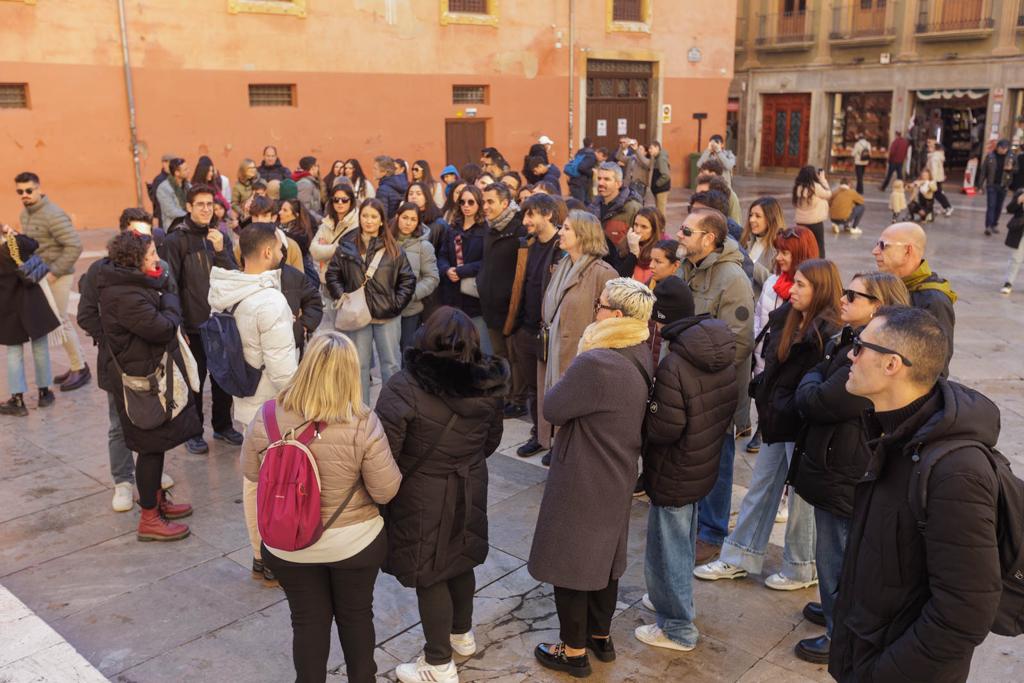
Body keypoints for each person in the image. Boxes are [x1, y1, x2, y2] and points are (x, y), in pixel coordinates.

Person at [831, 307, 1002, 683]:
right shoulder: (892, 434)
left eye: (859, 346)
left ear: (892, 364)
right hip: (866, 650)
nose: (850, 355)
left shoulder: (956, 472)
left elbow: (965, 611)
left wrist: (884, 673)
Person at [242, 332, 402, 683]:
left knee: (307, 621)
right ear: (351, 374)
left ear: (307, 366)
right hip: (354, 545)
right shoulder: (362, 422)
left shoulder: (268, 415)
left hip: (288, 546)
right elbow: (386, 491)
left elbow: (251, 472)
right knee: (356, 617)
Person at [529, 278, 654, 678]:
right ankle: (600, 636)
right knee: (606, 560)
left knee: (572, 563)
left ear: (616, 315)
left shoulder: (596, 361)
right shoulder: (640, 350)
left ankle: (573, 650)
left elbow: (553, 407)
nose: (594, 311)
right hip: (618, 470)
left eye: (599, 306)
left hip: (583, 474)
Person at [375, 307, 506, 683]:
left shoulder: (404, 386)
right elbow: (491, 440)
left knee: (430, 572)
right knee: (460, 560)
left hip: (422, 492)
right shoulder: (487, 384)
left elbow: (385, 452)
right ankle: (461, 634)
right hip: (469, 482)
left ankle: (437, 663)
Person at [695, 259, 842, 590]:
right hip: (779, 418)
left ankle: (801, 568)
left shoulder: (828, 333)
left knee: (802, 500)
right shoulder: (789, 318)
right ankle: (740, 556)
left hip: (803, 424)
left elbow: (817, 385)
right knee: (762, 486)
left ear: (820, 290)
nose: (792, 290)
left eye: (801, 284)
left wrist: (789, 405)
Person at [791, 272, 910, 664]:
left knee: (835, 556)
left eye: (853, 295)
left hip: (845, 469)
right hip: (837, 463)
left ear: (878, 306)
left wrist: (811, 378)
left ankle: (838, 636)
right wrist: (816, 377)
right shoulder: (852, 340)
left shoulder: (876, 353)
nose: (842, 299)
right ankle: (832, 613)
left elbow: (822, 400)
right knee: (834, 553)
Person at [634, 281, 737, 653]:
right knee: (681, 536)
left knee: (670, 545)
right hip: (701, 462)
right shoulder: (718, 345)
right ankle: (669, 600)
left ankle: (677, 627)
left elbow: (665, 428)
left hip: (675, 469)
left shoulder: (675, 363)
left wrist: (646, 410)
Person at [96, 231, 199, 541]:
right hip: (142, 382)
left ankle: (155, 501)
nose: (157, 259)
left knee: (156, 443)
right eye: (151, 254)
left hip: (149, 374)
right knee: (150, 447)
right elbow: (162, 328)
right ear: (134, 260)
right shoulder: (124, 295)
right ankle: (150, 518)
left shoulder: (131, 285)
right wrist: (170, 297)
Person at [77, 208, 176, 510]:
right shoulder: (99, 273)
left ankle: (151, 475)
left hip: (151, 364)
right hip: (119, 365)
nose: (144, 241)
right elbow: (86, 316)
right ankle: (123, 480)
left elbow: (167, 303)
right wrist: (116, 341)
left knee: (151, 420)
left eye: (148, 235)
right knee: (119, 423)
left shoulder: (158, 266)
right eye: (137, 234)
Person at [676, 208, 755, 564]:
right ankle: (692, 523)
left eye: (686, 230)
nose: (679, 235)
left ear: (708, 239)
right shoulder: (687, 269)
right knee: (691, 459)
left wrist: (698, 373)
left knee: (718, 463)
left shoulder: (732, 279)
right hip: (684, 386)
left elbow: (738, 343)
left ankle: (711, 533)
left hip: (715, 391)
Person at [162, 184, 241, 454]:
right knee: (195, 381)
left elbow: (233, 278)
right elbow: (170, 284)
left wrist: (221, 251)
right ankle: (193, 432)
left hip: (219, 322)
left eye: (210, 204)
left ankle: (223, 426)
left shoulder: (220, 237)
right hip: (192, 325)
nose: (206, 209)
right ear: (189, 207)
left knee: (222, 378)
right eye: (200, 205)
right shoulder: (176, 240)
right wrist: (179, 324)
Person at [536, 211, 618, 458]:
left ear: (583, 234)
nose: (560, 232)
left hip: (581, 358)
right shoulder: (562, 265)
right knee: (554, 401)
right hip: (552, 350)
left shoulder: (603, 272)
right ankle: (555, 444)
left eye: (567, 229)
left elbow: (611, 323)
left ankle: (568, 452)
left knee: (573, 410)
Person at [325, 198, 415, 405]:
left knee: (391, 366)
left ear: (382, 220)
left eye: (374, 216)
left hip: (387, 317)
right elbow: (333, 275)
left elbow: (407, 280)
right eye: (365, 215)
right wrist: (342, 296)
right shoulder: (347, 246)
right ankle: (361, 415)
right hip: (357, 316)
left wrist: (395, 304)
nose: (369, 220)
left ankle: (390, 414)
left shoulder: (394, 249)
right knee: (359, 367)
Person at [747, 225, 820, 454]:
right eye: (778, 251)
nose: (778, 258)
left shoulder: (811, 296)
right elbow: (758, 318)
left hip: (785, 373)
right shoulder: (771, 282)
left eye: (784, 252)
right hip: (762, 360)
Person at [14, 171, 89, 391]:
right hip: (41, 272)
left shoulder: (52, 214)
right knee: (59, 320)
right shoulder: (25, 214)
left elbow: (75, 245)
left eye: (29, 190)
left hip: (59, 273)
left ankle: (80, 368)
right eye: (20, 192)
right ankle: (79, 364)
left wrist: (55, 273)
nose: (25, 195)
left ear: (38, 188)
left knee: (60, 320)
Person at [506, 193, 566, 458]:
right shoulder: (527, 245)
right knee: (533, 388)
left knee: (554, 388)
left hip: (551, 333)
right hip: (526, 331)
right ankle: (539, 436)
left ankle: (558, 441)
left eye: (531, 214)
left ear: (548, 215)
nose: (525, 220)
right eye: (524, 214)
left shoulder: (562, 248)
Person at [872, 222, 956, 374]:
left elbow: (938, 363)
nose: (875, 251)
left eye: (883, 245)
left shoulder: (934, 300)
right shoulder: (890, 285)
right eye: (876, 244)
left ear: (907, 251)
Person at [0, 223, 58, 416]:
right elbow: (34, 243)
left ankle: (17, 400)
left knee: (14, 353)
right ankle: (44, 393)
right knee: (40, 347)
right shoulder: (14, 243)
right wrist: (12, 232)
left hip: (7, 308)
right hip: (32, 303)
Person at [478, 182, 526, 389]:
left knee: (514, 358)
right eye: (484, 202)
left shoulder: (518, 229)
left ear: (505, 203)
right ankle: (506, 395)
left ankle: (516, 399)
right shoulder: (490, 228)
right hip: (491, 307)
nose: (485, 206)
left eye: (490, 202)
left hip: (511, 310)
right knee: (500, 356)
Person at [436, 185, 491, 352]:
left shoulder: (486, 231)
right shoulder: (453, 228)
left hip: (474, 297)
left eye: (471, 202)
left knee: (479, 347)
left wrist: (460, 271)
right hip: (451, 294)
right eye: (462, 202)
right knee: (454, 346)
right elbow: (442, 254)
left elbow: (486, 261)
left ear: (479, 204)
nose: (466, 205)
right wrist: (446, 270)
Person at [391, 202, 439, 352]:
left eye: (413, 219)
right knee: (390, 355)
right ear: (397, 217)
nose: (408, 223)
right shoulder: (385, 241)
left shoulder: (424, 246)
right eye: (405, 217)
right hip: (386, 308)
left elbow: (432, 278)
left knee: (407, 353)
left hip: (410, 310)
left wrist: (411, 294)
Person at [311, 184, 359, 329]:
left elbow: (350, 252)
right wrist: (337, 248)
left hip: (347, 283)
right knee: (334, 326)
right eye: (336, 200)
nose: (340, 203)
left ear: (351, 201)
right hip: (326, 282)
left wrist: (326, 248)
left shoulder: (356, 223)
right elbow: (314, 251)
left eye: (344, 200)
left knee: (349, 327)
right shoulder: (327, 223)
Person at [588, 162, 642, 258]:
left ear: (618, 184)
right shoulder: (593, 206)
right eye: (599, 178)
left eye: (606, 179)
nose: (600, 183)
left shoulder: (632, 208)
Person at [740, 197, 784, 299]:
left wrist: (751, 264)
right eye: (751, 215)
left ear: (770, 219)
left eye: (758, 216)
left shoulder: (779, 248)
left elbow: (776, 284)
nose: (751, 219)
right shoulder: (746, 240)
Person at [792, 165, 831, 258]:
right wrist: (823, 179)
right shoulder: (815, 187)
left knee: (804, 245)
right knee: (819, 245)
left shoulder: (797, 187)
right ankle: (820, 265)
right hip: (815, 222)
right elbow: (828, 194)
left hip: (801, 222)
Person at [619, 207, 666, 282]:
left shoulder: (663, 249)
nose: (637, 230)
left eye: (644, 227)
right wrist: (633, 253)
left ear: (655, 230)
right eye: (636, 225)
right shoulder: (626, 243)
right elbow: (621, 278)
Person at [982, 138, 1014, 236]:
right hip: (992, 184)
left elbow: (1017, 169)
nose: (1003, 150)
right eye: (1001, 148)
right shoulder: (990, 156)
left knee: (998, 207)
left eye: (1005, 148)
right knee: (991, 206)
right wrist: (979, 185)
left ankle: (994, 224)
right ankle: (988, 226)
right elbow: (984, 171)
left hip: (1003, 185)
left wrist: (1011, 168)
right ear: (998, 147)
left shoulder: (1011, 157)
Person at [696, 159, 742, 224]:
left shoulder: (730, 195)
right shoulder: (700, 189)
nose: (699, 175)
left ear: (713, 174)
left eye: (702, 172)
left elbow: (735, 222)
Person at [1001, 188, 1024, 294]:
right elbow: (1009, 209)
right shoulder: (1021, 192)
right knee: (1016, 258)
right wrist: (1018, 201)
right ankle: (1008, 282)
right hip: (1021, 231)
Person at [156, 159, 190, 229]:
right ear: (177, 172)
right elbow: (171, 211)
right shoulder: (163, 188)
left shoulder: (188, 186)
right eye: (185, 170)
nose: (188, 171)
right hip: (173, 228)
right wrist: (191, 216)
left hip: (189, 226)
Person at [375, 155, 410, 219]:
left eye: (375, 168)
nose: (373, 171)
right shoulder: (405, 184)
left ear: (385, 171)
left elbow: (382, 216)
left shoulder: (382, 190)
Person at [925, 139, 953, 217]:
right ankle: (944, 207)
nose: (928, 148)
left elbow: (933, 169)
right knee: (937, 194)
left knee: (936, 194)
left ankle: (948, 207)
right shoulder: (936, 156)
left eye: (930, 147)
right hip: (938, 178)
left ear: (934, 148)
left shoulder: (934, 158)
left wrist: (932, 180)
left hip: (935, 179)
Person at [566, 138, 598, 204]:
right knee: (582, 204)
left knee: (578, 203)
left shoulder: (579, 152)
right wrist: (592, 173)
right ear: (591, 144)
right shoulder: (591, 155)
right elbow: (582, 168)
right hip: (582, 183)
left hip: (574, 181)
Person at [648, 140, 671, 216]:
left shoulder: (661, 159)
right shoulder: (657, 158)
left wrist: (657, 184)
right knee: (659, 212)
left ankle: (661, 227)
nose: (649, 150)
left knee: (660, 213)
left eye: (651, 148)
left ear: (657, 148)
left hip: (661, 189)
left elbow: (666, 175)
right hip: (659, 189)